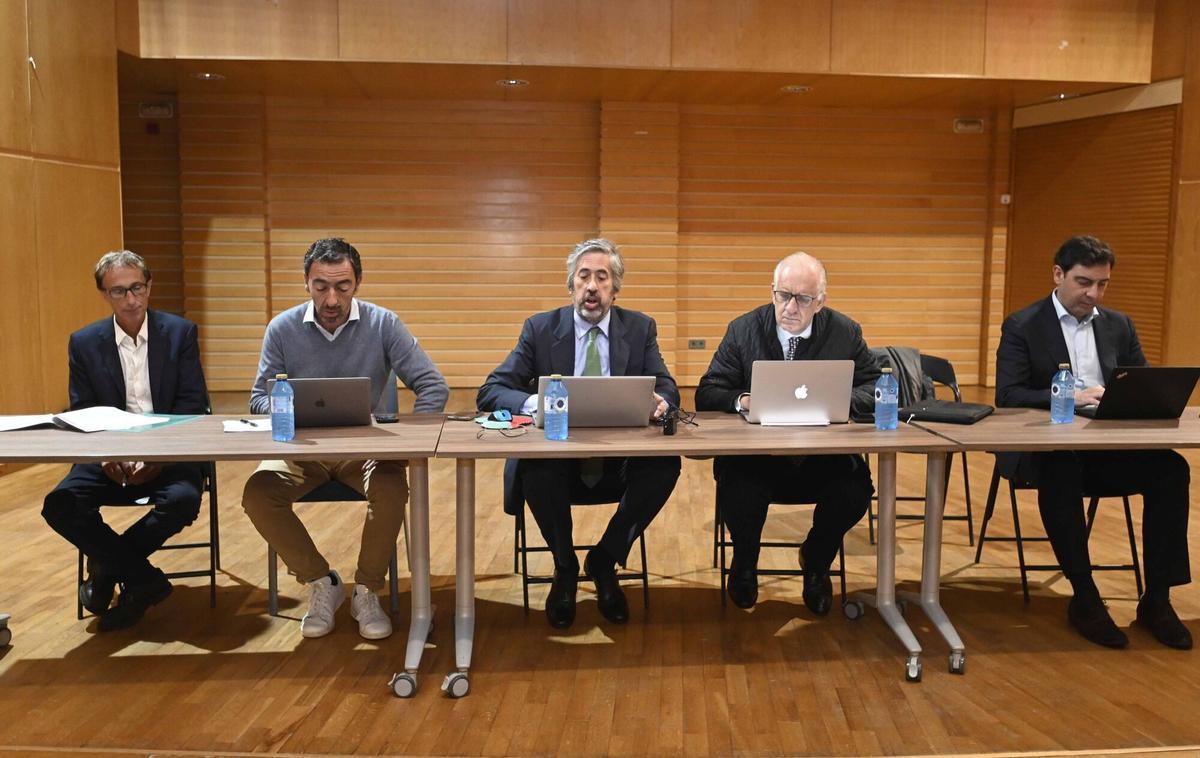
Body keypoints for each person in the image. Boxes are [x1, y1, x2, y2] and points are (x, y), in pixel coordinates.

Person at [241, 238, 448, 640]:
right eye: (321, 286)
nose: (331, 298)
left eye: (343, 286)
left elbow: (432, 386)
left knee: (391, 488)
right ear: (306, 283)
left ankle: (367, 589)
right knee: (257, 492)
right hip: (303, 450)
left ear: (358, 283)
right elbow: (257, 399)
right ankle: (323, 583)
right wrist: (288, 410)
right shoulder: (281, 329)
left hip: (363, 451)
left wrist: (409, 442)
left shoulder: (384, 323)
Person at [996, 235, 1191, 650]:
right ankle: (1084, 596)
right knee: (1062, 467)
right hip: (1045, 449)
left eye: (1101, 284)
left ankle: (1157, 599)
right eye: (1084, 282)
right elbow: (1007, 395)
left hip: (1106, 447)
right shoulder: (1023, 324)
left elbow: (1141, 383)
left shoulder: (1118, 324)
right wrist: (1070, 396)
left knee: (1173, 469)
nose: (1093, 293)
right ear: (1057, 274)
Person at [477, 238, 680, 629]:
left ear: (614, 289)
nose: (592, 286)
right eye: (583, 276)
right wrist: (537, 403)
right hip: (559, 462)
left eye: (602, 277)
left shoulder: (639, 329)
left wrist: (661, 403)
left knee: (665, 465)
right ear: (570, 285)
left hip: (618, 461)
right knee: (535, 468)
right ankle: (565, 566)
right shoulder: (539, 329)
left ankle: (605, 558)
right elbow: (492, 390)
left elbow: (668, 388)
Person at [695, 252, 879, 613]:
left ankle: (816, 561)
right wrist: (743, 399)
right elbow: (708, 390)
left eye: (803, 299)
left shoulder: (845, 332)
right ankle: (745, 562)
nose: (790, 307)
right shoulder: (743, 329)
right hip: (756, 459)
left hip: (823, 457)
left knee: (856, 491)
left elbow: (876, 387)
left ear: (821, 302)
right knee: (738, 488)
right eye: (783, 295)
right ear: (772, 292)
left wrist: (838, 399)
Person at [42, 250, 209, 631]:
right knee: (60, 505)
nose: (131, 300)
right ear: (104, 294)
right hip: (108, 453)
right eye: (119, 292)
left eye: (137, 288)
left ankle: (105, 570)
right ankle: (143, 578)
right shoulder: (84, 343)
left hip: (168, 452)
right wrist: (106, 457)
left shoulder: (180, 333)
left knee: (183, 501)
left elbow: (191, 407)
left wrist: (159, 460)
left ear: (149, 287)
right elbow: (83, 409)